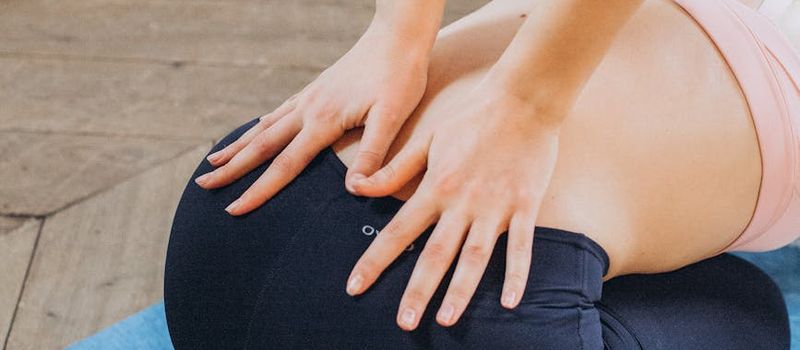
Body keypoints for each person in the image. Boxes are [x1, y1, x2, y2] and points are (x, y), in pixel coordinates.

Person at [164, 0, 798, 348]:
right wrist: (526, 108)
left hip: (234, 223)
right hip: (476, 325)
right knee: (747, 308)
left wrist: (399, 33)